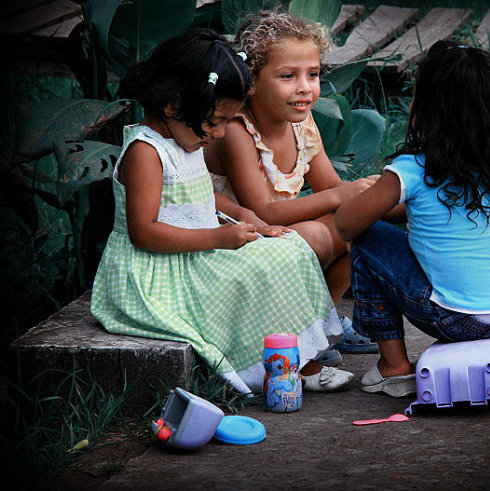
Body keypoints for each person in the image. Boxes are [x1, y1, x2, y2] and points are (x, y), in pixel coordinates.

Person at [90, 28, 355, 394]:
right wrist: (218, 237)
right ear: (172, 106)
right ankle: (294, 366)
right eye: (213, 122)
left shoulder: (185, 136)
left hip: (195, 253)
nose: (217, 134)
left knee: (288, 248)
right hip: (158, 273)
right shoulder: (146, 153)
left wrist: (246, 216)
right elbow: (144, 232)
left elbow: (202, 195)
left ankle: (298, 351)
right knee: (268, 265)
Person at [335, 41, 490, 397]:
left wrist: (368, 195)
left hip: (458, 320)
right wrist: (394, 203)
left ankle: (393, 366)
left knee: (369, 242)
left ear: (425, 108)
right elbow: (439, 213)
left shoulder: (411, 170)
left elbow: (347, 225)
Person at [204, 10, 381, 356]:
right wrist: (342, 195)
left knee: (357, 224)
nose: (305, 87)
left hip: (275, 239)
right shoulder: (238, 131)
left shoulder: (302, 123)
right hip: (232, 244)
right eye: (288, 76)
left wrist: (383, 197)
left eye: (312, 74)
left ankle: (322, 326)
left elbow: (331, 187)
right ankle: (299, 333)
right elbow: (263, 211)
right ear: (251, 81)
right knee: (317, 234)